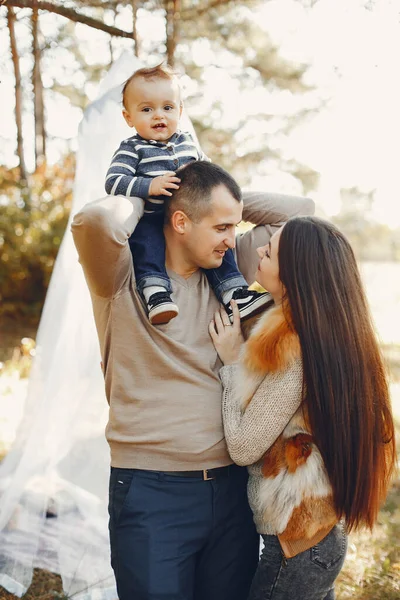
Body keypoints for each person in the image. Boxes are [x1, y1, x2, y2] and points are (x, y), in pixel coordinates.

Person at [71, 160, 315, 600]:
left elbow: (301, 212)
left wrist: (218, 197)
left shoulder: (230, 268)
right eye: (221, 226)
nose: (232, 237)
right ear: (179, 221)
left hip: (232, 489)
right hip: (150, 490)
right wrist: (154, 193)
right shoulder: (120, 275)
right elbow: (95, 219)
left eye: (234, 226)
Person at [209, 216, 396, 600]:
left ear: (295, 272)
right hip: (316, 537)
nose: (259, 249)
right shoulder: (324, 334)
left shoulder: (293, 347)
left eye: (271, 250)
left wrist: (231, 363)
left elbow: (244, 447)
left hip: (297, 547)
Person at [105, 64, 270, 324]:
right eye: (147, 109)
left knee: (220, 243)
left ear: (179, 111)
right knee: (147, 245)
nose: (158, 115)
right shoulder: (132, 148)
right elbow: (114, 182)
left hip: (193, 215)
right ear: (129, 118)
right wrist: (149, 186)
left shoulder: (187, 142)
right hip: (153, 215)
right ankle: (156, 293)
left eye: (167, 108)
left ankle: (235, 294)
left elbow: (209, 172)